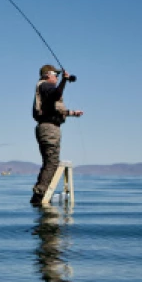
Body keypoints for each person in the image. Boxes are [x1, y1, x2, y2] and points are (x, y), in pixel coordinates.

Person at [31, 65, 83, 205]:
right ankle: (39, 196)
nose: (58, 77)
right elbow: (56, 95)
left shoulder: (45, 90)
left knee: (49, 162)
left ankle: (39, 195)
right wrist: (65, 81)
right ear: (48, 74)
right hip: (49, 129)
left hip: (48, 127)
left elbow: (53, 110)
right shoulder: (45, 86)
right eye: (56, 74)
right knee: (52, 162)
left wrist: (72, 113)